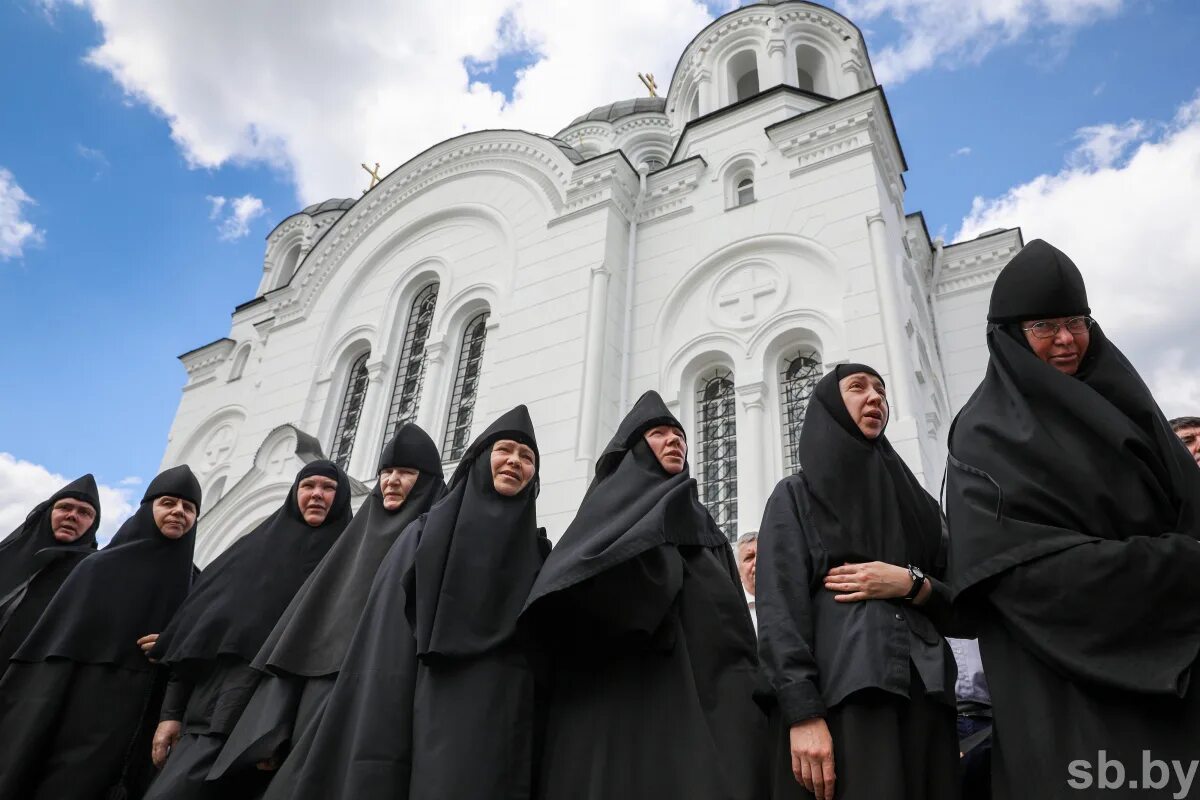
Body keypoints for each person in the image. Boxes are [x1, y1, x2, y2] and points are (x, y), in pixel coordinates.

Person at [945, 239, 1200, 800]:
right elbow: (1022, 575)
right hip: (1072, 695)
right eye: (1044, 326)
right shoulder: (985, 437)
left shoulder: (1128, 406)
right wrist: (1180, 565)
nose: (1066, 340)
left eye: (1076, 321)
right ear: (1010, 335)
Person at [261, 406, 548, 800]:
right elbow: (385, 647)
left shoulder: (538, 552)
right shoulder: (423, 537)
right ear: (481, 459)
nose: (515, 461)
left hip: (502, 716)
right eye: (505, 450)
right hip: (423, 708)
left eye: (527, 456)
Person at [523, 390, 766, 800]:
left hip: (696, 707)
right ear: (635, 447)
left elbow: (733, 629)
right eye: (659, 433)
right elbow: (574, 601)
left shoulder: (706, 533)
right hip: (614, 707)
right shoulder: (603, 521)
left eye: (679, 435)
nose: (675, 441)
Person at [757, 365, 959, 800]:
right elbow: (780, 609)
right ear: (830, 405)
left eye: (882, 390)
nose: (875, 397)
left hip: (927, 691)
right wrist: (802, 713)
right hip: (846, 693)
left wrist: (910, 582)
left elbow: (962, 601)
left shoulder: (918, 506)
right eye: (858, 387)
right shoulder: (796, 495)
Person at [208, 425, 447, 784]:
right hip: (325, 694)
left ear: (427, 480)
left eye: (406, 473)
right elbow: (304, 637)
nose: (392, 482)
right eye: (386, 472)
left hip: (393, 700)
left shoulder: (439, 539)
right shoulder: (351, 545)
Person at [144, 460, 352, 800]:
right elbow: (198, 637)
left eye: (328, 488)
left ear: (341, 497)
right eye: (308, 486)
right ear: (294, 493)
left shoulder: (350, 559)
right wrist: (171, 715)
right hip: (218, 715)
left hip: (295, 730)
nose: (317, 494)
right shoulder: (251, 553)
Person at [0, 465, 200, 800]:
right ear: (148, 508)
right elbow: (51, 653)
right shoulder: (97, 568)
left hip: (148, 720)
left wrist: (176, 644)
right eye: (168, 502)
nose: (179, 511)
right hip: (81, 709)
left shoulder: (197, 583)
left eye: (189, 507)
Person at [0, 473, 101, 666]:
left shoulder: (92, 577)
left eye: (84, 512)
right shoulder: (5, 556)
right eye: (64, 507)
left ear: (92, 525)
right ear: (48, 513)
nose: (72, 516)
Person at [736, 530, 758, 633]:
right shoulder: (733, 608)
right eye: (749, 557)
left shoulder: (786, 601)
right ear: (738, 571)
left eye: (762, 555)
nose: (757, 561)